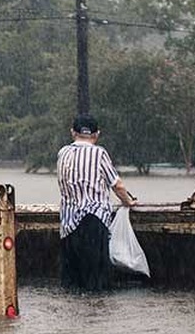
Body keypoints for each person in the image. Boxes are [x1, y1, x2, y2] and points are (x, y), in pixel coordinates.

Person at [57, 113, 137, 292]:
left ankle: (71, 318)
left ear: (73, 133)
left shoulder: (63, 153)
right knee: (96, 280)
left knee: (72, 282)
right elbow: (117, 185)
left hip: (68, 225)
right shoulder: (99, 153)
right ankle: (95, 317)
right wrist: (128, 202)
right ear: (96, 135)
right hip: (94, 221)